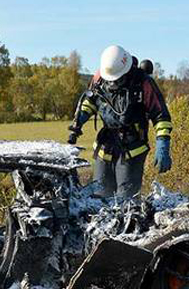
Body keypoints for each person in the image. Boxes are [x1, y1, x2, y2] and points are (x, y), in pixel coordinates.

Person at [67, 45, 173, 198]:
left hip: (132, 148)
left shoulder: (143, 83)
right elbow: (91, 101)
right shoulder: (100, 78)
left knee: (126, 202)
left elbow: (161, 115)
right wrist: (81, 118)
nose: (113, 83)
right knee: (100, 197)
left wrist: (163, 142)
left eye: (116, 79)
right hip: (105, 146)